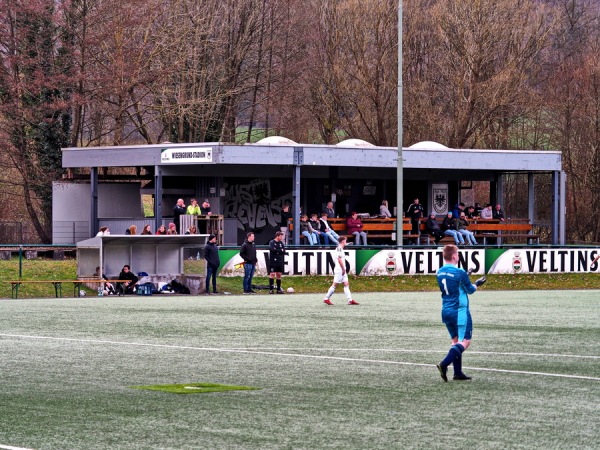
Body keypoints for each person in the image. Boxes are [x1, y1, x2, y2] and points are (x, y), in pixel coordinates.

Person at [435, 244, 486, 382]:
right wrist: (477, 283)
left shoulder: (439, 272)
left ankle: (457, 372)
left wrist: (465, 275)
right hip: (459, 311)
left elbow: (454, 283)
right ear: (454, 256)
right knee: (465, 341)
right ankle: (444, 364)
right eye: (457, 254)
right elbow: (470, 290)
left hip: (446, 310)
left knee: (455, 340)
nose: (458, 256)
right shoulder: (460, 273)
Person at [323, 236, 359, 306]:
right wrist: (343, 269)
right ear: (343, 241)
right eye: (345, 241)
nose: (346, 242)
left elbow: (344, 244)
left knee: (346, 283)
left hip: (342, 269)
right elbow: (339, 260)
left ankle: (350, 300)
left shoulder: (340, 248)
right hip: (340, 270)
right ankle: (326, 298)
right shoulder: (339, 249)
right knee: (335, 285)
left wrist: (348, 243)